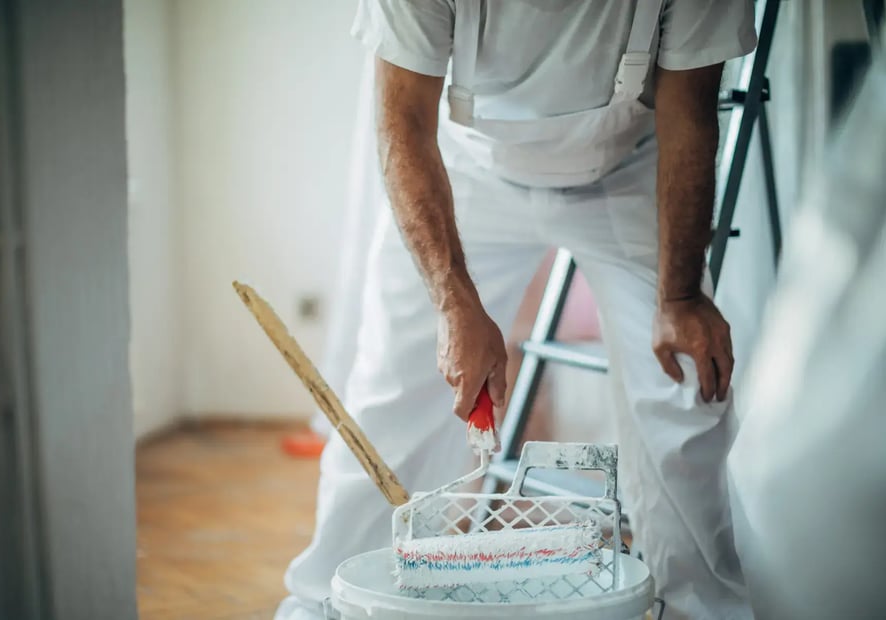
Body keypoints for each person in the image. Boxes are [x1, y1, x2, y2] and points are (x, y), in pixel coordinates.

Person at [276, 1, 758, 618]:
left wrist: (682, 298)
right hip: (467, 171)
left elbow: (689, 115)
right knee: (394, 392)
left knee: (684, 390)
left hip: (629, 169)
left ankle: (702, 609)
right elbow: (403, 123)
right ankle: (322, 605)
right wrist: (454, 303)